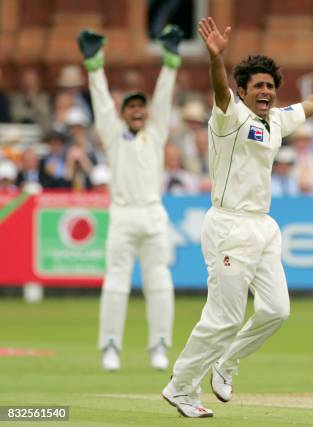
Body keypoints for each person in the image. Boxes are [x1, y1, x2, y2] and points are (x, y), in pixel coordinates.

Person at [162, 16, 313, 418]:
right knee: (223, 317)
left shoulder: (276, 119)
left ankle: (225, 362)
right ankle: (180, 386)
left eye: (270, 86)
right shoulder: (229, 117)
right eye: (257, 86)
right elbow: (219, 90)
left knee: (277, 310)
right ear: (242, 90)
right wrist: (215, 59)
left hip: (263, 225)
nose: (265, 91)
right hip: (228, 224)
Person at [77, 24, 184, 372]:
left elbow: (165, 98)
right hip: (122, 216)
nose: (138, 111)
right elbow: (102, 103)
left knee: (160, 283)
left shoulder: (155, 133)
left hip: (153, 215)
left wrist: (171, 63)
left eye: (142, 106)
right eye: (131, 107)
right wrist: (94, 66)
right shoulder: (112, 135)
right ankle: (110, 346)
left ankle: (159, 345)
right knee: (116, 283)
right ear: (124, 114)